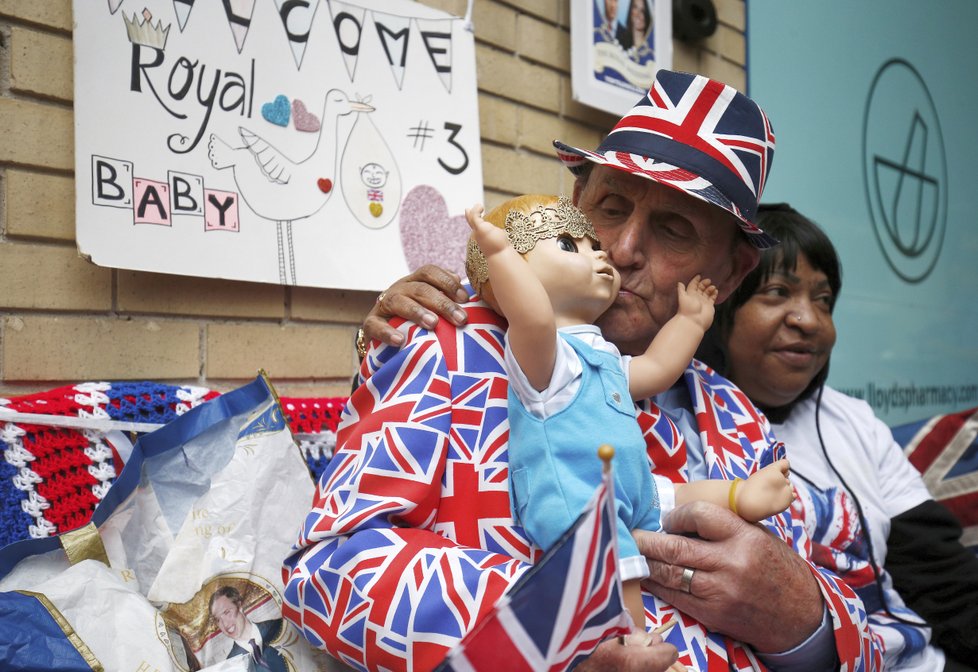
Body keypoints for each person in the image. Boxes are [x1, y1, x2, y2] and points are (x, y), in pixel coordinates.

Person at [284, 69, 883, 671]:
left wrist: (800, 621)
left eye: (674, 229)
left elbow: (859, 627)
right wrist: (555, 635)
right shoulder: (451, 344)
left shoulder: (738, 420)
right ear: (572, 208)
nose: (622, 250)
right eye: (610, 207)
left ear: (729, 273)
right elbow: (331, 569)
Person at [464, 194, 793, 637]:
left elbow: (655, 369)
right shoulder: (544, 354)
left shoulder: (599, 352)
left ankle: (739, 494)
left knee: (679, 496)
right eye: (569, 245)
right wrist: (501, 254)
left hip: (629, 486)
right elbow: (533, 316)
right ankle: (636, 646)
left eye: (587, 241)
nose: (607, 252)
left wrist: (691, 322)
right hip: (578, 497)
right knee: (618, 567)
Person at [700, 202, 978, 671]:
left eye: (823, 300)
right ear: (721, 306)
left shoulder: (852, 420)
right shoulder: (683, 427)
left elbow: (939, 578)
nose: (808, 320)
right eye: (776, 292)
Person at [209, 585, 287, 672]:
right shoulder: (231, 667)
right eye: (218, 620)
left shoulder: (280, 627)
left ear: (240, 606)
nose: (225, 624)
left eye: (227, 612)